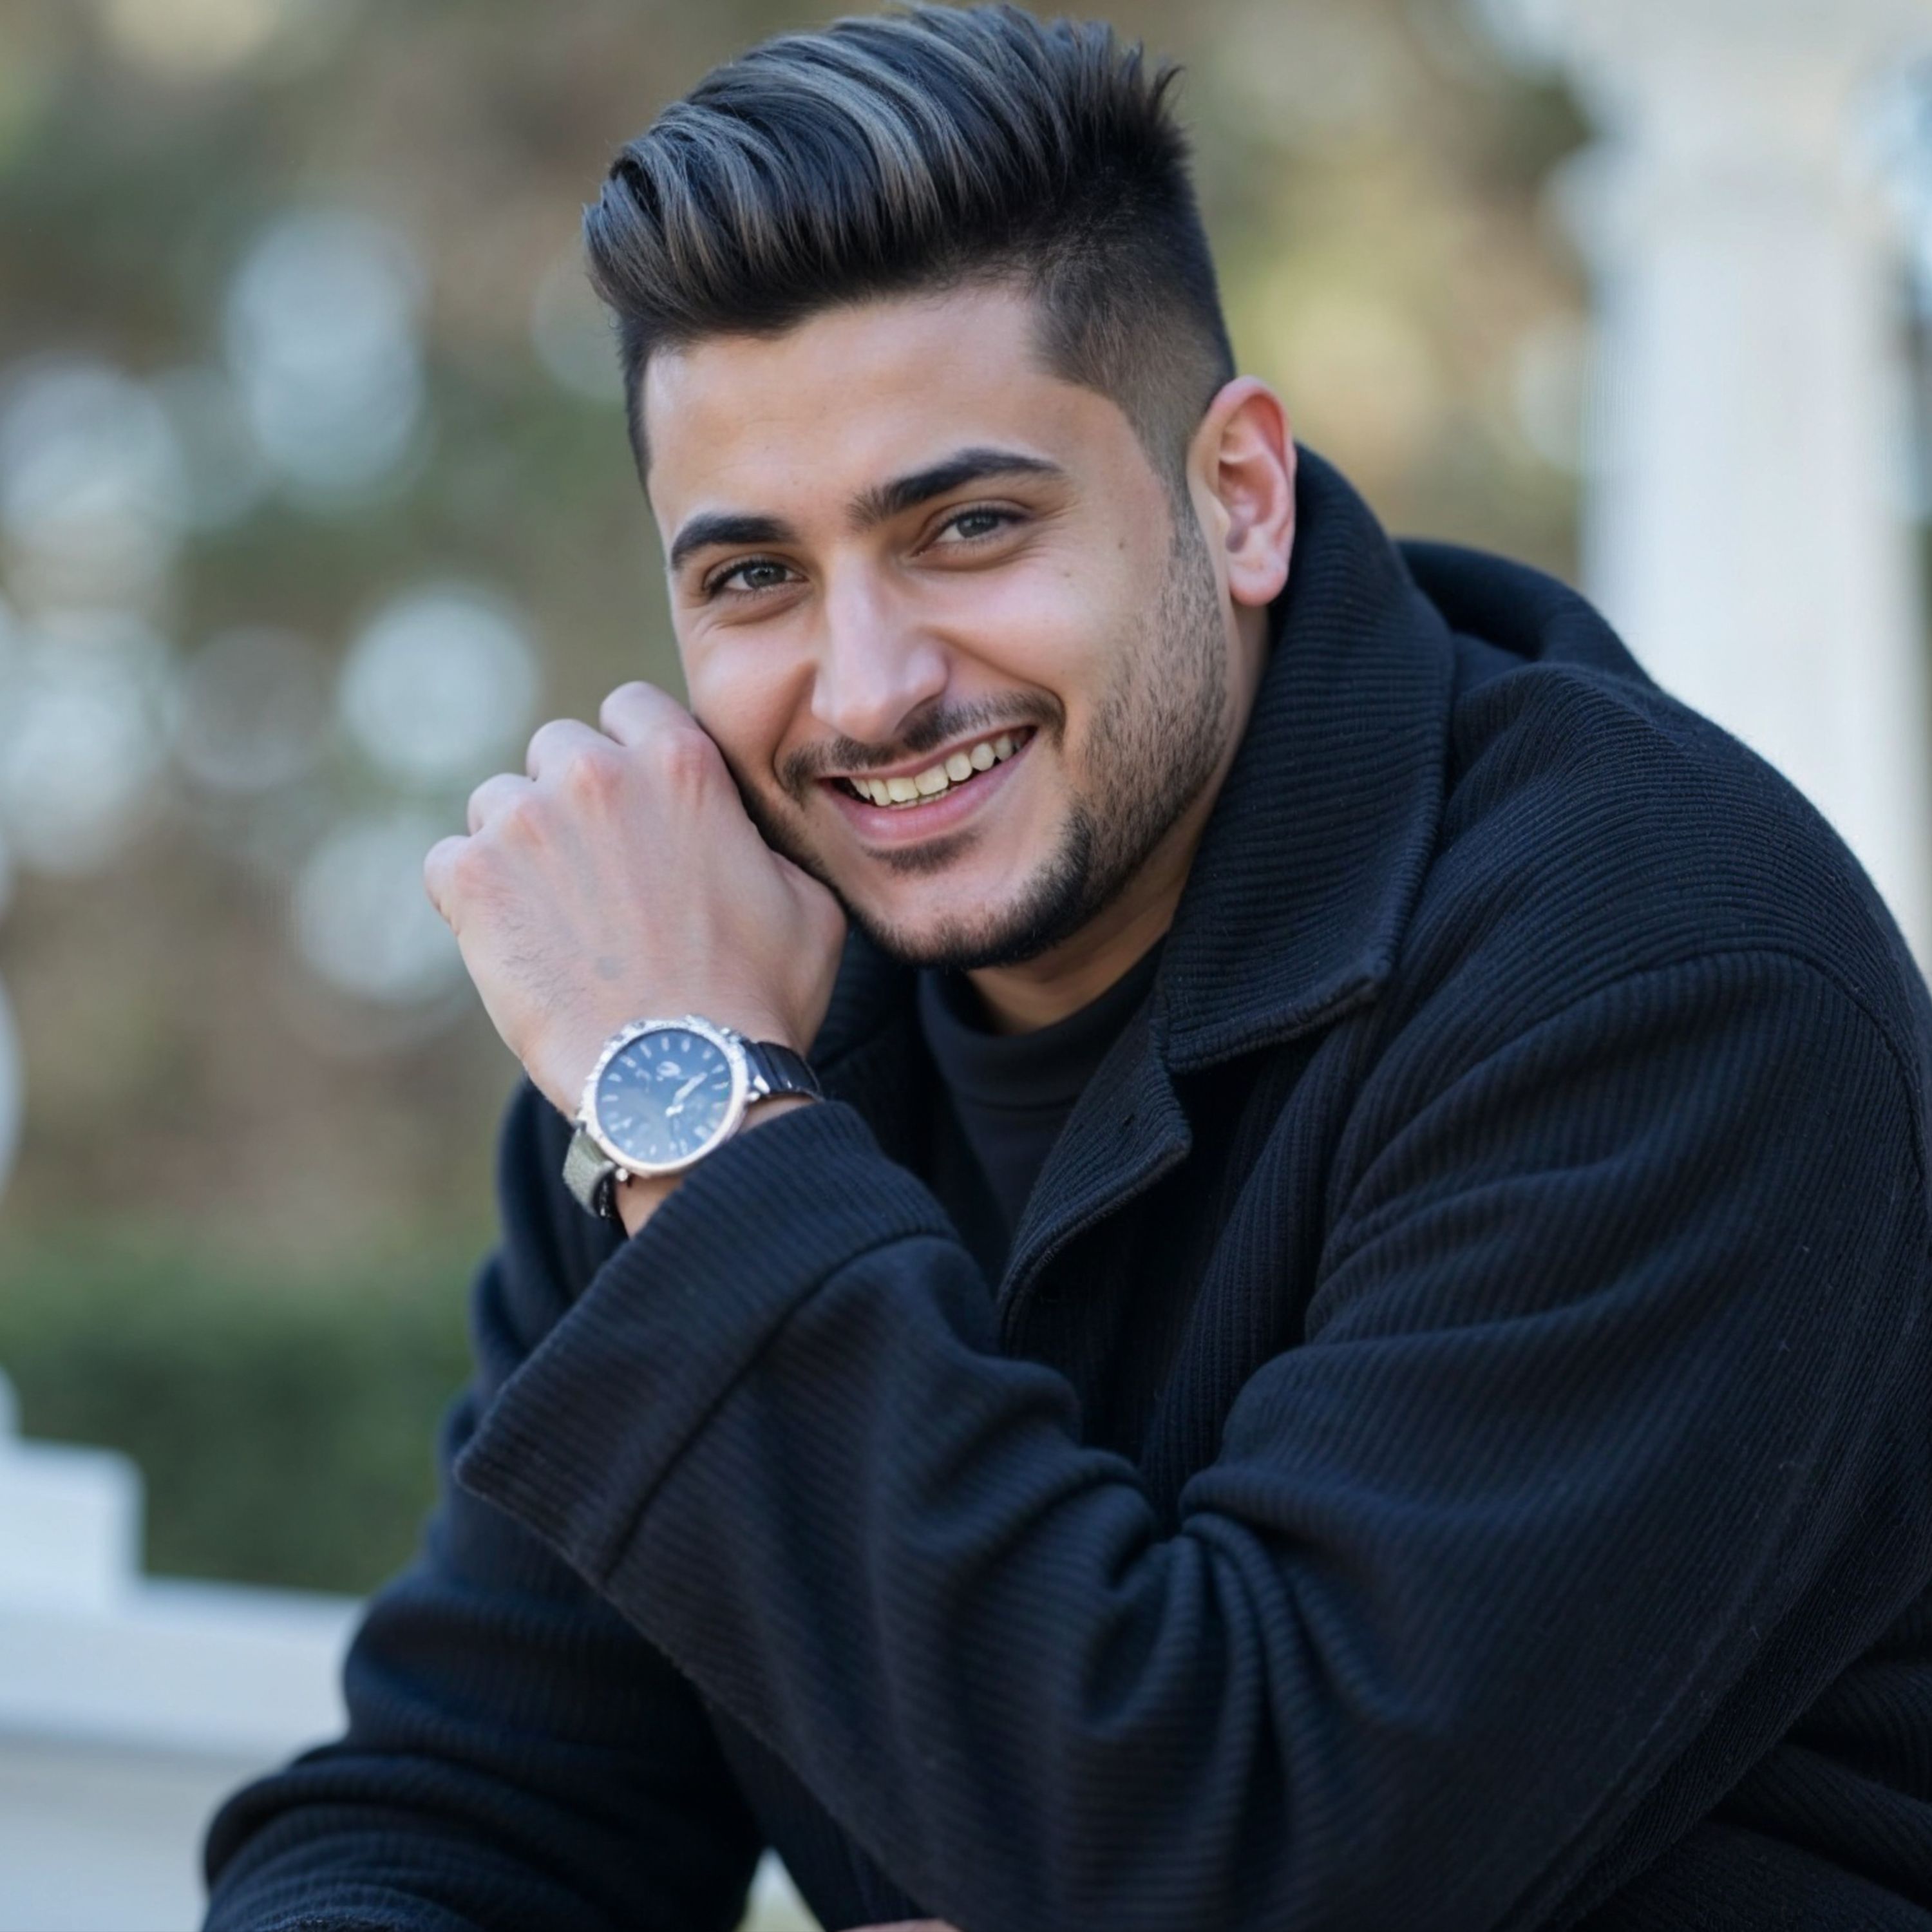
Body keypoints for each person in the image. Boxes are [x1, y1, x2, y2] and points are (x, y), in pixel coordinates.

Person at [202, 6, 1932, 1928]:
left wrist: (711, 1130)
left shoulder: (1664, 972)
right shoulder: (694, 1033)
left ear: (1241, 496)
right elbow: (454, 1815)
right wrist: (699, 1101)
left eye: (969, 526)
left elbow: (1223, 1856)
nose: (869, 691)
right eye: (755, 577)